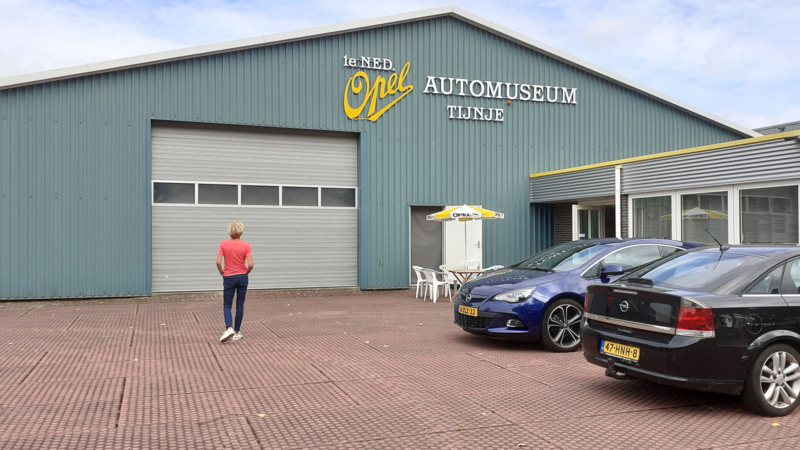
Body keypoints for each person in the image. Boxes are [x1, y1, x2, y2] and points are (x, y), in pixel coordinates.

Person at [216, 221, 253, 342]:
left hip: (228, 276)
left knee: (227, 304)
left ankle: (229, 328)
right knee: (240, 304)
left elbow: (218, 261)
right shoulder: (246, 245)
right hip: (242, 276)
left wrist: (222, 271)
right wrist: (247, 271)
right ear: (241, 232)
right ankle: (237, 332)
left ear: (229, 232)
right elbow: (251, 264)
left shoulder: (223, 243)